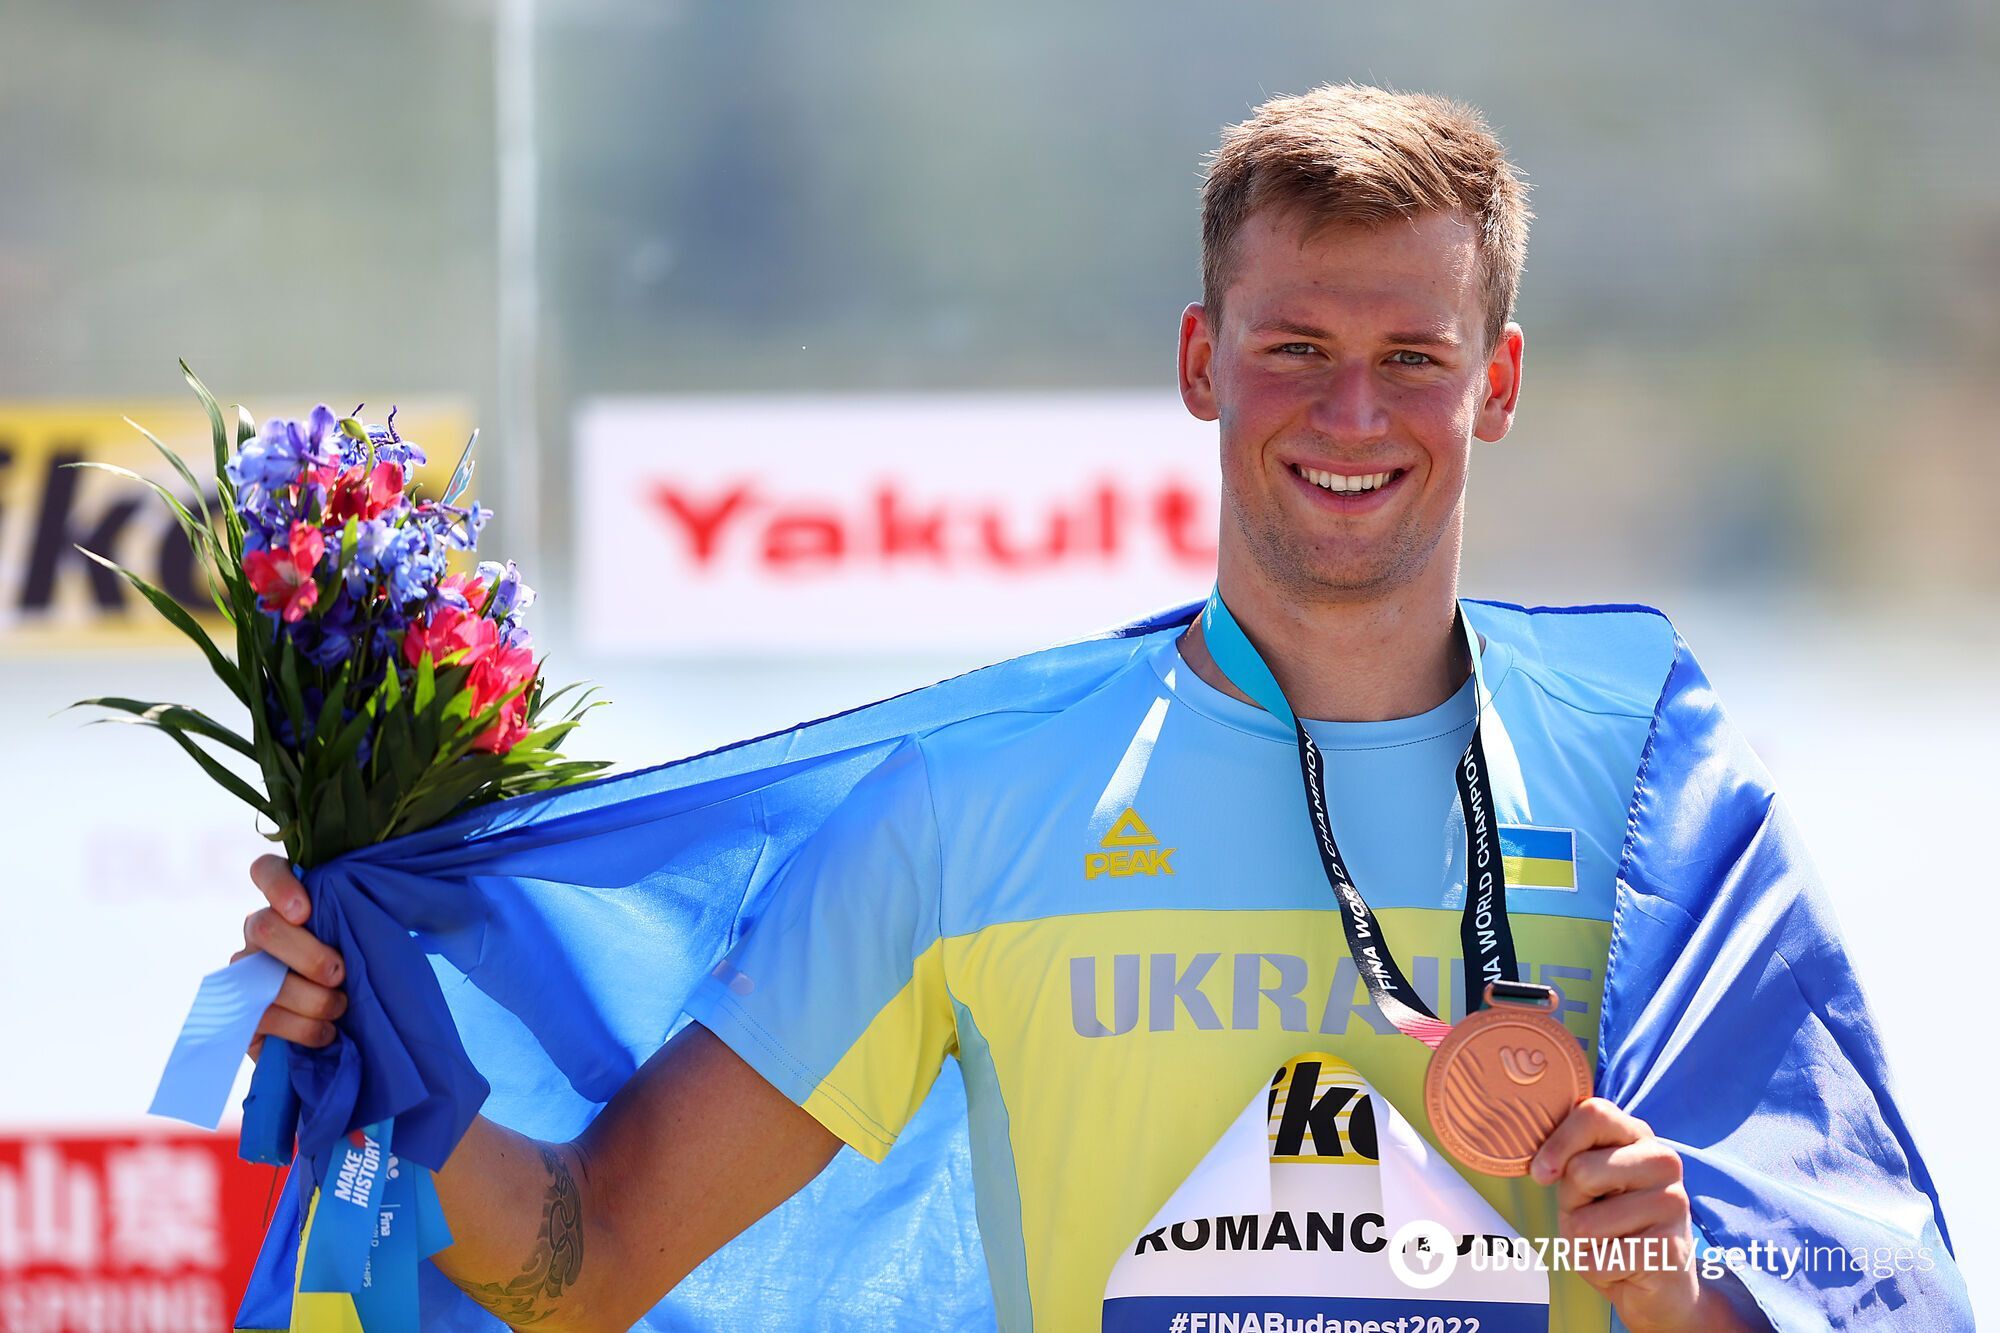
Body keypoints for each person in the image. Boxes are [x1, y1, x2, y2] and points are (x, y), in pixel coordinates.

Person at [233, 85, 1956, 1331]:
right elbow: (589, 1258)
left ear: (1494, 383)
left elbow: (1859, 1298)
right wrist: (384, 1053)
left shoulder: (1650, 776)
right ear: (1202, 361)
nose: (1351, 411)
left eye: (1414, 358)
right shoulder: (969, 805)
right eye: (1293, 348)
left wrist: (1673, 1296)